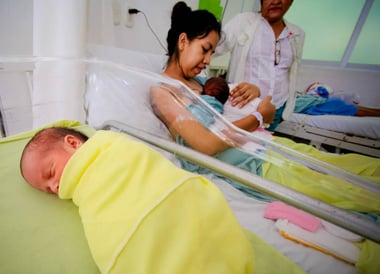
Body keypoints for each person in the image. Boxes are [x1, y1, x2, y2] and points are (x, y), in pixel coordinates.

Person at [150, 1, 380, 213]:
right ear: (182, 42)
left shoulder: (200, 82)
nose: (209, 61)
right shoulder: (164, 91)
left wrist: (253, 90)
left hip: (267, 146)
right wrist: (258, 117)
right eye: (205, 49)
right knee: (350, 195)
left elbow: (233, 97)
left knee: (353, 167)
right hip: (257, 165)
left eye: (211, 52)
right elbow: (206, 144)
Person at [20, 126, 255, 273]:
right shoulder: (83, 192)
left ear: (72, 143)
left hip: (174, 199)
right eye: (47, 189)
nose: (55, 187)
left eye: (50, 173)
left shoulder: (112, 146)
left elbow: (146, 165)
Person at [215, 0, 305, 130]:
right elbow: (212, 48)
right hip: (243, 107)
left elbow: (292, 72)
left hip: (277, 107)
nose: (276, 2)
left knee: (261, 147)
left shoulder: (297, 34)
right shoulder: (243, 22)